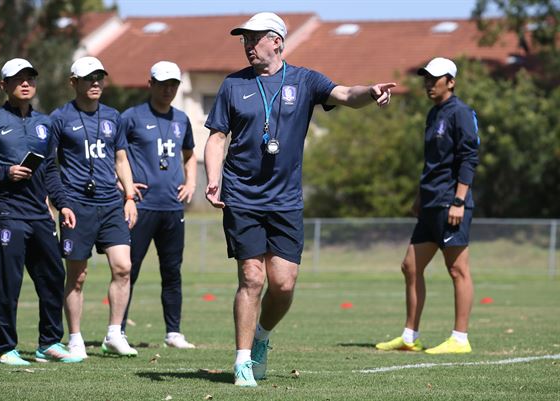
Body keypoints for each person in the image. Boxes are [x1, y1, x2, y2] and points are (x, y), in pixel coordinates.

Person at [203, 12, 395, 387]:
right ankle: (242, 361)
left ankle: (261, 337)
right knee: (251, 278)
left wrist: (369, 93)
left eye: (254, 38)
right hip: (241, 195)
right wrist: (212, 180)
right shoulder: (231, 85)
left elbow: (344, 94)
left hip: (285, 200)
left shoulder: (305, 80)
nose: (247, 45)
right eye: (244, 40)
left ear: (276, 41)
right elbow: (215, 138)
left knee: (284, 284)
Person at [0, 58, 83, 365]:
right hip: (7, 213)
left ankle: (49, 343)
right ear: (4, 85)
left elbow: (51, 171)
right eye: (17, 79)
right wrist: (5, 172)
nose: (25, 83)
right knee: (10, 281)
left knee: (53, 277)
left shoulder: (46, 123)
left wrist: (63, 203)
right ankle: (4, 348)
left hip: (40, 214)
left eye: (29, 78)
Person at [375, 57, 479, 354]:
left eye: (435, 78)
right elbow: (432, 162)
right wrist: (420, 197)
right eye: (426, 78)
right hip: (431, 203)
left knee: (458, 270)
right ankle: (410, 337)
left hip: (451, 203)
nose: (428, 83)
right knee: (410, 266)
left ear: (451, 81)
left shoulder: (461, 112)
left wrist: (459, 200)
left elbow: (468, 158)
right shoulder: (434, 114)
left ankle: (459, 339)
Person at [49, 56, 138, 359]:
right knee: (77, 275)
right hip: (77, 204)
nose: (96, 82)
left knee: (124, 268)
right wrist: (57, 204)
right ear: (74, 82)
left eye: (100, 77)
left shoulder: (114, 116)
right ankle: (75, 337)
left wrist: (129, 196)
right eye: (89, 78)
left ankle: (114, 334)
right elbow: (50, 165)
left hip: (111, 204)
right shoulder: (59, 118)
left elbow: (121, 159)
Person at [118, 61, 197, 349]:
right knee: (129, 269)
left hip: (172, 208)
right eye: (163, 83)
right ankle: (118, 330)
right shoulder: (131, 117)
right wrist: (121, 185)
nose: (168, 89)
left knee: (172, 271)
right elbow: (116, 155)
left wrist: (191, 183)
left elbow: (189, 154)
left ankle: (173, 332)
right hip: (140, 206)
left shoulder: (182, 119)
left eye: (173, 84)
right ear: (149, 83)